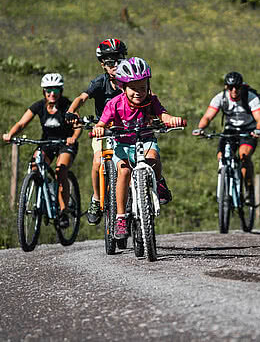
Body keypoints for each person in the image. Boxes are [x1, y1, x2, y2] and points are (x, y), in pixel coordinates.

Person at [92, 57, 185, 239]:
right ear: (122, 86)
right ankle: (120, 217)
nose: (138, 92)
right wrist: (100, 128)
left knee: (154, 159)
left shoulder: (151, 100)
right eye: (133, 88)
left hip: (145, 141)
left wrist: (172, 120)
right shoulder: (114, 104)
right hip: (123, 145)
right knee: (124, 172)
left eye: (143, 87)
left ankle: (158, 183)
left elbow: (164, 116)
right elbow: (103, 122)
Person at [2, 73, 81, 228]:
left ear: (61, 91)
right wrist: (11, 134)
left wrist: (74, 137)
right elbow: (21, 123)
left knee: (61, 170)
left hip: (65, 143)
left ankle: (64, 210)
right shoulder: (39, 106)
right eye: (48, 90)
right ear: (43, 92)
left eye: (56, 91)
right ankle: (47, 193)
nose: (52, 94)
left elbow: (77, 126)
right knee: (34, 167)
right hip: (46, 143)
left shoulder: (67, 106)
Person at [65, 38, 127, 225]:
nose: (115, 65)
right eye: (109, 62)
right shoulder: (100, 82)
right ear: (103, 65)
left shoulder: (131, 80)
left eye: (119, 60)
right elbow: (82, 97)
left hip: (126, 130)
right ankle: (97, 198)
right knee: (98, 161)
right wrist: (71, 110)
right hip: (103, 130)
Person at [192, 71, 260, 205]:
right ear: (226, 87)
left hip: (248, 131)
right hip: (230, 130)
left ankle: (249, 189)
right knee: (221, 156)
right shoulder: (221, 98)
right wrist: (201, 128)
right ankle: (225, 186)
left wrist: (258, 130)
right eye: (230, 87)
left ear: (241, 87)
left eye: (237, 87)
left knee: (244, 155)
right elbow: (208, 116)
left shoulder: (250, 97)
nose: (234, 90)